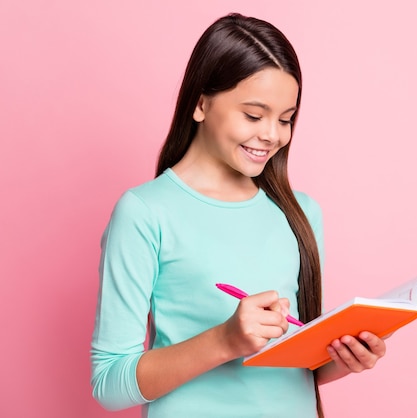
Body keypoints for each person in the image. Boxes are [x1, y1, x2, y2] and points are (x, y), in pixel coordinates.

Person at [90, 13, 386, 418]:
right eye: (253, 115)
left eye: (286, 119)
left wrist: (345, 358)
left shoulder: (301, 213)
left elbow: (297, 370)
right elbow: (109, 384)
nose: (272, 135)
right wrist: (225, 341)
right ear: (200, 103)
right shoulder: (144, 212)